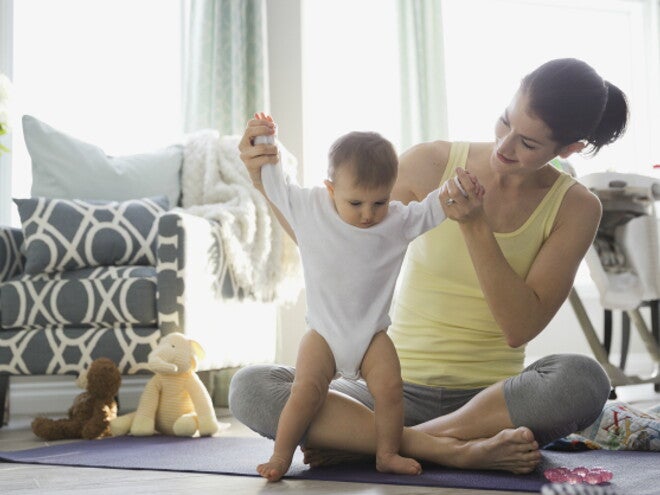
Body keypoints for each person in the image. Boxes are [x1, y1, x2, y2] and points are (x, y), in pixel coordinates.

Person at [231, 58, 627, 474]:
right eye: (504, 122)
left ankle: (380, 442)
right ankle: (447, 448)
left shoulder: (577, 207)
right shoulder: (431, 162)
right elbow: (335, 245)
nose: (504, 147)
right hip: (387, 390)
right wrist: (264, 181)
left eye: (527, 144)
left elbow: (518, 327)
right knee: (253, 388)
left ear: (568, 150)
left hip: (490, 402)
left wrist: (474, 224)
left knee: (583, 380)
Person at [246, 113, 484, 481]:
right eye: (355, 203)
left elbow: (435, 207)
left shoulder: (399, 220)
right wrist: (264, 142)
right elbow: (275, 181)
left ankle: (387, 453)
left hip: (373, 335)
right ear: (330, 188)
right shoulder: (310, 207)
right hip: (323, 334)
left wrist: (458, 187)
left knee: (391, 390)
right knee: (304, 392)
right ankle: (280, 455)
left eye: (379, 202)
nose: (369, 214)